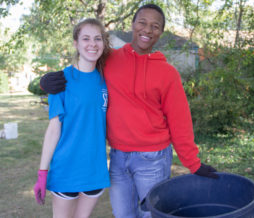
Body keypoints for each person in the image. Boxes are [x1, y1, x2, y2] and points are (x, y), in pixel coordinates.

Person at [40, 4, 218, 218]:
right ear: (133, 25)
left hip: (152, 159)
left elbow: (180, 121)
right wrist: (45, 81)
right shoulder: (110, 59)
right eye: (142, 22)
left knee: (151, 215)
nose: (147, 30)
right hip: (118, 158)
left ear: (161, 32)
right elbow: (83, 67)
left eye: (155, 26)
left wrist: (193, 163)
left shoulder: (168, 73)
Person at [33, 18, 111, 218]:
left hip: (95, 169)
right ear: (76, 43)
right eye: (85, 38)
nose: (92, 44)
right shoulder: (60, 82)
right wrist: (42, 173)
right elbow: (53, 130)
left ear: (104, 42)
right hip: (66, 169)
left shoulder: (107, 78)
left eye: (97, 38)